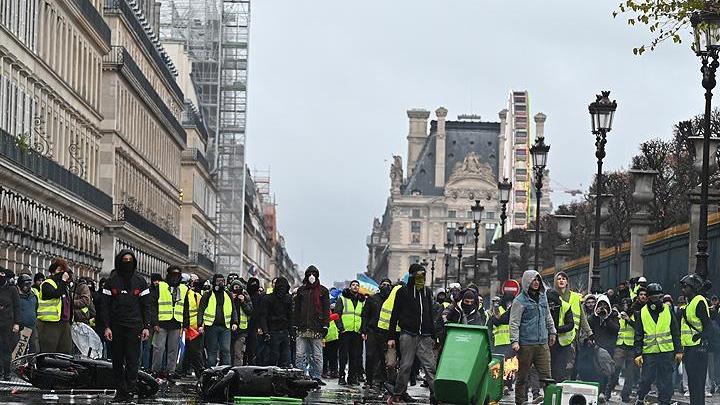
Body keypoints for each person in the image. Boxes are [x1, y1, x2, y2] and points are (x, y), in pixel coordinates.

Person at [102, 250, 152, 402]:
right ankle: (120, 391)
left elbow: (146, 306)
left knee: (132, 360)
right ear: (119, 261)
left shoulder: (140, 281)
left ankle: (130, 391)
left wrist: (146, 327)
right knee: (117, 360)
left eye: (130, 260)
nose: (127, 263)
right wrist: (106, 327)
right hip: (116, 327)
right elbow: (104, 306)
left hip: (134, 326)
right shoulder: (111, 282)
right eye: (125, 260)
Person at [387, 263, 437, 404]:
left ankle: (436, 394)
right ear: (412, 275)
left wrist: (433, 335)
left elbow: (429, 314)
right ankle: (398, 393)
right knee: (406, 365)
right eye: (419, 274)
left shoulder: (427, 292)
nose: (421, 277)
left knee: (430, 366)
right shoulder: (403, 291)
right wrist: (391, 337)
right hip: (408, 333)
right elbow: (394, 314)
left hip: (425, 335)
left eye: (423, 275)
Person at [509, 270, 556, 405]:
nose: (536, 283)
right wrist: (515, 341)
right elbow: (514, 323)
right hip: (526, 345)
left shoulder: (543, 297)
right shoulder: (519, 301)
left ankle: (549, 402)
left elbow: (547, 316)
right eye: (533, 280)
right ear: (526, 282)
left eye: (538, 280)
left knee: (547, 377)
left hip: (542, 343)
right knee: (522, 377)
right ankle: (521, 402)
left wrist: (552, 332)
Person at [633, 282, 682, 405]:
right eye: (655, 298)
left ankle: (664, 402)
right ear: (649, 298)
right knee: (646, 379)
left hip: (666, 352)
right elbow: (638, 334)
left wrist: (679, 350)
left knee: (665, 381)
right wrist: (638, 353)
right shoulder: (642, 313)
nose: (658, 300)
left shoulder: (668, 310)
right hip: (649, 353)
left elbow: (675, 331)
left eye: (660, 297)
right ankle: (640, 398)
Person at [293, 266, 329, 384]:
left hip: (316, 328)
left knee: (317, 355)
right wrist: (295, 324)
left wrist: (325, 326)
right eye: (309, 274)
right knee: (300, 355)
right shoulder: (301, 290)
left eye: (314, 274)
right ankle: (301, 375)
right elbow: (297, 309)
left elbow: (326, 309)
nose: (311, 276)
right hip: (302, 328)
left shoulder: (323, 291)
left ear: (317, 275)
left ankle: (316, 376)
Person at [680, 274, 712, 405]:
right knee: (693, 384)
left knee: (698, 384)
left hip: (697, 348)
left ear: (692, 287)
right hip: (689, 348)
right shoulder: (690, 302)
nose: (683, 289)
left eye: (685, 287)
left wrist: (703, 342)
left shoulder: (699, 301)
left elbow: (708, 325)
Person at [151, 265, 187, 379]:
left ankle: (170, 371)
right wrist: (155, 323)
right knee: (159, 348)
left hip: (176, 323)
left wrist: (185, 324)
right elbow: (154, 305)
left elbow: (185, 307)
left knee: (173, 349)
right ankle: (155, 371)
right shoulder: (160, 286)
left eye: (178, 274)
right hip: (162, 323)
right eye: (173, 274)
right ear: (168, 274)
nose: (175, 277)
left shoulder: (184, 289)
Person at [199, 274, 238, 367]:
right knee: (212, 351)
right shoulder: (207, 295)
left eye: (222, 281)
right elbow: (201, 310)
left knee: (226, 350)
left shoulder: (228, 294)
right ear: (214, 282)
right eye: (218, 281)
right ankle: (210, 372)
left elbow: (233, 309)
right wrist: (200, 324)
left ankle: (226, 372)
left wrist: (235, 322)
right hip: (211, 327)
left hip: (225, 327)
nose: (221, 283)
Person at [586, 294, 619, 400]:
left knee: (608, 372)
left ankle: (606, 393)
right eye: (600, 305)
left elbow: (616, 330)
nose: (603, 308)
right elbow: (588, 331)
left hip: (609, 349)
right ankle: (597, 393)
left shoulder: (613, 317)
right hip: (595, 349)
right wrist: (589, 340)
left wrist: (606, 318)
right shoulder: (592, 318)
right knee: (596, 372)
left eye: (605, 305)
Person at [37, 259, 73, 354]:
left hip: (64, 322)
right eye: (59, 270)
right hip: (49, 323)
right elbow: (56, 293)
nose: (61, 273)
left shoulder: (63, 285)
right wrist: (63, 281)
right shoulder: (47, 284)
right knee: (49, 350)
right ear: (52, 271)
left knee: (65, 350)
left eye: (63, 271)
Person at [362, 278, 392, 390]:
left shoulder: (391, 300)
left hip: (385, 333)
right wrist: (364, 330)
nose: (386, 286)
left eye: (388, 285)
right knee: (370, 356)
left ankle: (382, 381)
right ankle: (368, 380)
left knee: (383, 358)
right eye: (383, 284)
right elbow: (365, 315)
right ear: (379, 286)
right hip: (372, 331)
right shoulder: (372, 298)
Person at [335, 279, 365, 385]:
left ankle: (352, 377)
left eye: (357, 285)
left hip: (356, 332)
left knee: (355, 356)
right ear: (350, 287)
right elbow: (337, 315)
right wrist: (341, 328)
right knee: (343, 356)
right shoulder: (342, 299)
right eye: (353, 285)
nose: (355, 287)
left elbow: (363, 316)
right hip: (345, 332)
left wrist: (362, 330)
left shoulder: (362, 301)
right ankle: (341, 376)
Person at [607, 297, 638, 402]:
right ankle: (607, 392)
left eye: (627, 303)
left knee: (630, 373)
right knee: (615, 369)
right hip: (620, 345)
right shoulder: (617, 316)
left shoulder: (635, 315)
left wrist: (629, 320)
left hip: (631, 347)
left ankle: (625, 395)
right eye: (624, 303)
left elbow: (638, 328)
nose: (625, 305)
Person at [259, 276, 293, 368]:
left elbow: (290, 316)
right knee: (273, 357)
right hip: (273, 331)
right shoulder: (268, 299)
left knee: (282, 358)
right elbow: (263, 316)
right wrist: (265, 331)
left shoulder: (287, 299)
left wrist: (291, 332)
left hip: (281, 331)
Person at [554, 271, 593, 344]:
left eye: (564, 279)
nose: (561, 280)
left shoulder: (575, 297)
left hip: (573, 335)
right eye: (559, 279)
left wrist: (589, 332)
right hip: (557, 334)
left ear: (567, 282)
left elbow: (582, 316)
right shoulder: (552, 296)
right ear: (555, 282)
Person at [546, 289, 574, 383]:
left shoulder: (565, 306)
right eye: (549, 304)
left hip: (562, 343)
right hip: (548, 342)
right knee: (549, 367)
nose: (551, 307)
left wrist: (555, 330)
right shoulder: (543, 307)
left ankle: (558, 386)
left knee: (560, 368)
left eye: (552, 304)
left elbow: (570, 324)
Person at [181, 276, 206, 378]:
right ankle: (184, 370)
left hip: (193, 329)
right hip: (185, 326)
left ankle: (199, 371)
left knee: (194, 352)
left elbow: (202, 312)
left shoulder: (197, 296)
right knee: (185, 351)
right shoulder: (187, 294)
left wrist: (201, 326)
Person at [0, 267, 19, 380]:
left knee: (6, 348)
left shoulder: (12, 290)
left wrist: (17, 323)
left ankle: (7, 372)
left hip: (7, 323)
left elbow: (17, 307)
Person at [229, 279, 253, 366]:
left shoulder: (245, 296)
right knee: (228, 352)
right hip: (229, 328)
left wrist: (243, 302)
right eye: (235, 287)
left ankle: (237, 372)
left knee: (238, 353)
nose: (236, 289)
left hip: (242, 330)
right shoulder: (228, 295)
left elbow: (250, 311)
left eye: (238, 287)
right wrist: (231, 299)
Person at [16, 273, 38, 355]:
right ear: (20, 285)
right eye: (26, 284)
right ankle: (19, 366)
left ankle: (31, 365)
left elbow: (36, 308)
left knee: (33, 347)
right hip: (20, 327)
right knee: (20, 350)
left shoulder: (33, 296)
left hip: (32, 325)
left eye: (29, 284)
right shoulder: (16, 297)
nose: (28, 287)